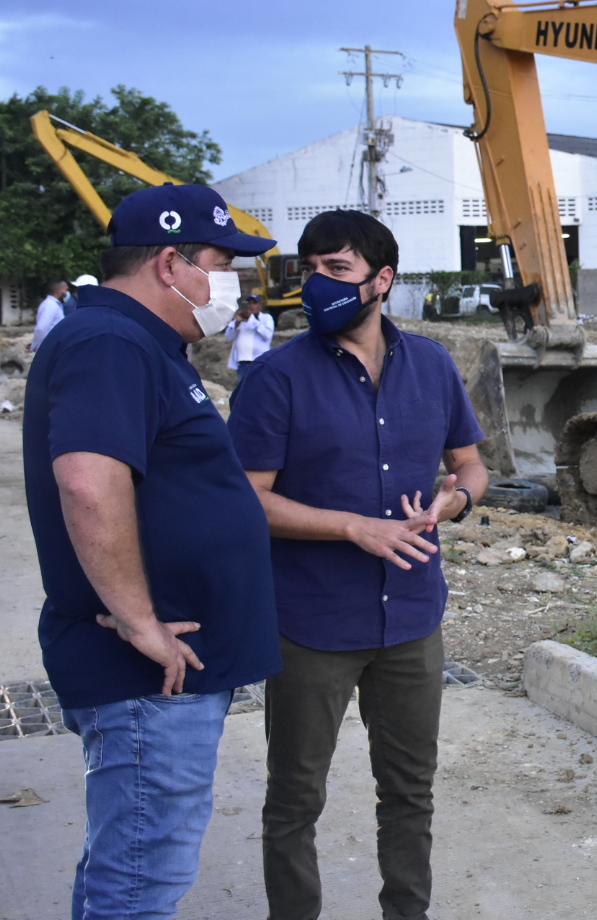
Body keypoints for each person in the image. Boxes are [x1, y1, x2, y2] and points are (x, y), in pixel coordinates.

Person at [22, 183, 282, 918]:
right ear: (170, 264)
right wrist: (139, 619)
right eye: (223, 262)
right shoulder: (111, 341)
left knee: (126, 866)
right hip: (149, 679)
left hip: (165, 678)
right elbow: (88, 482)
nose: (232, 281)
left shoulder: (144, 345)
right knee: (139, 884)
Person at [229, 210, 489, 920]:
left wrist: (453, 501)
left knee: (409, 792)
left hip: (410, 620)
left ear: (383, 281)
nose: (317, 284)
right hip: (311, 624)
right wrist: (354, 529)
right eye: (309, 269)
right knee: (294, 799)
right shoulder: (274, 378)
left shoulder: (433, 365)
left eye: (336, 270)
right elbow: (246, 502)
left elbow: (471, 466)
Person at [224, 292, 275, 378]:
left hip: (260, 361)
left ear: (260, 305)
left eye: (254, 303)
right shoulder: (241, 320)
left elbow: (268, 335)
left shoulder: (266, 318)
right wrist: (238, 322)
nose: (251, 306)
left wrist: (251, 320)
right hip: (243, 362)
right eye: (250, 303)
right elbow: (228, 337)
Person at [29, 278, 69, 350]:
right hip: (49, 347)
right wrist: (34, 345)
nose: (67, 293)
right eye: (66, 290)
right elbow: (41, 328)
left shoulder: (53, 305)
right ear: (58, 292)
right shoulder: (50, 305)